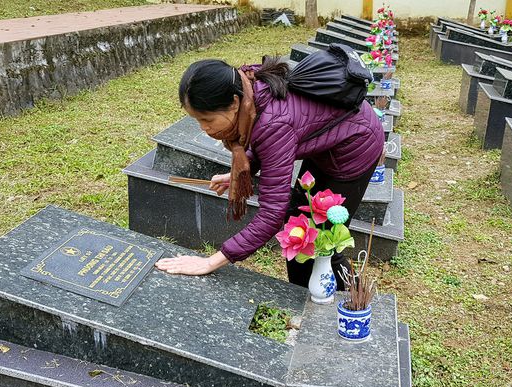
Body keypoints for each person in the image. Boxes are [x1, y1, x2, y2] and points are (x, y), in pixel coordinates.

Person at [155, 57, 384, 290]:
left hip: (355, 147)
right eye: (198, 121)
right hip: (332, 137)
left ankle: (351, 301)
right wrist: (239, 173)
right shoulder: (246, 86)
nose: (204, 128)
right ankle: (303, 295)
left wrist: (210, 262)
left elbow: (272, 212)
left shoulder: (273, 123)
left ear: (234, 102)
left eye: (207, 119)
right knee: (298, 231)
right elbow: (268, 138)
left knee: (322, 241)